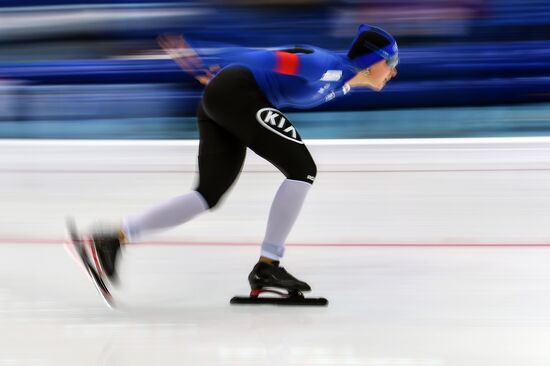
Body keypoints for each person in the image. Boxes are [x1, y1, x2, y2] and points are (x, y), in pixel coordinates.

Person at [90, 24, 399, 298]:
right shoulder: (325, 66)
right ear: (374, 62)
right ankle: (268, 266)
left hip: (227, 97)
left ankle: (113, 239)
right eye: (392, 63)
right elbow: (266, 58)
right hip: (236, 92)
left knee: (207, 195)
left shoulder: (343, 83)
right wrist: (213, 60)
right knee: (303, 170)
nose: (394, 72)